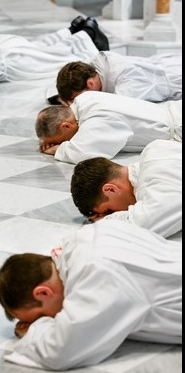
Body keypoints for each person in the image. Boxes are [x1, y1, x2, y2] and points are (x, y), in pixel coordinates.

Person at [0, 219, 182, 371]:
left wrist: (33, 331)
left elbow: (60, 351)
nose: (49, 319)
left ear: (43, 292)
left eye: (40, 317)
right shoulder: (92, 233)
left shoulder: (95, 276)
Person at [70, 139, 182, 239]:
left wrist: (107, 220)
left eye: (109, 211)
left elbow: (146, 225)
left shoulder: (156, 171)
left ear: (110, 189)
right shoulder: (155, 150)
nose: (116, 213)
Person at [36, 91, 182, 164]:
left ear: (66, 126)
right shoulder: (85, 98)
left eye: (58, 139)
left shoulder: (97, 120)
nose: (60, 142)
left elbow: (84, 153)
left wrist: (58, 149)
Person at [46, 51, 182, 105]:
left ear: (91, 83)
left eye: (76, 99)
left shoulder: (126, 80)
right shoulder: (96, 66)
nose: (76, 104)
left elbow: (117, 112)